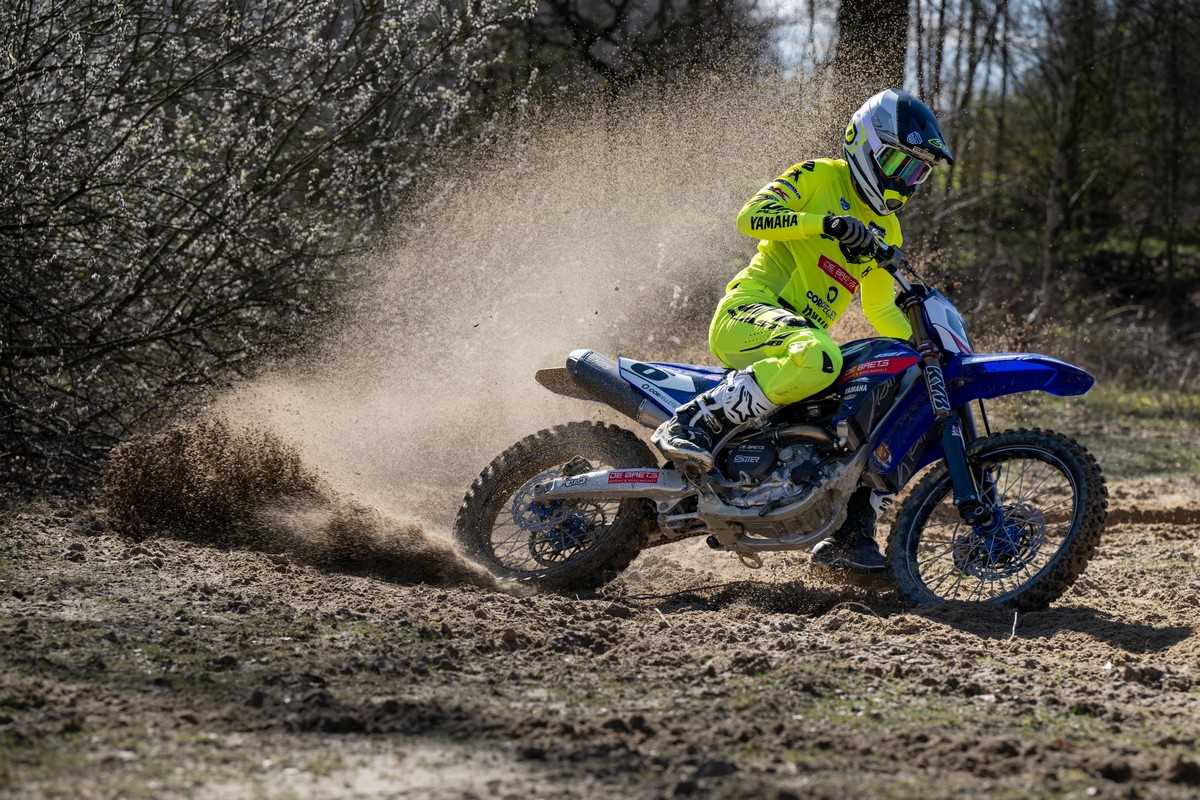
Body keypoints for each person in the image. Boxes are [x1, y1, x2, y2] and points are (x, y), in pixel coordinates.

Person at [651, 88, 954, 572]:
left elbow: (879, 307)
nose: (905, 181)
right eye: (899, 163)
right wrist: (826, 224)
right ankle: (693, 422)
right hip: (748, 313)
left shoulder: (889, 229)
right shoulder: (819, 175)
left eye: (917, 171)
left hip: (801, 344)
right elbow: (750, 218)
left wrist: (926, 348)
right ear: (867, 146)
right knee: (821, 357)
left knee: (897, 386)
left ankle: (848, 534)